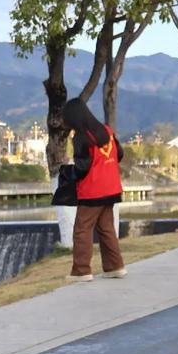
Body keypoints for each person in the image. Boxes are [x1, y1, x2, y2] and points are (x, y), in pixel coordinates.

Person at [62, 98, 126, 282]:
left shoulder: (81, 138)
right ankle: (115, 267)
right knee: (106, 228)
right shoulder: (107, 131)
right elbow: (119, 154)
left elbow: (82, 168)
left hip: (92, 191)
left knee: (82, 229)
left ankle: (81, 271)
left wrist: (67, 173)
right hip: (111, 188)